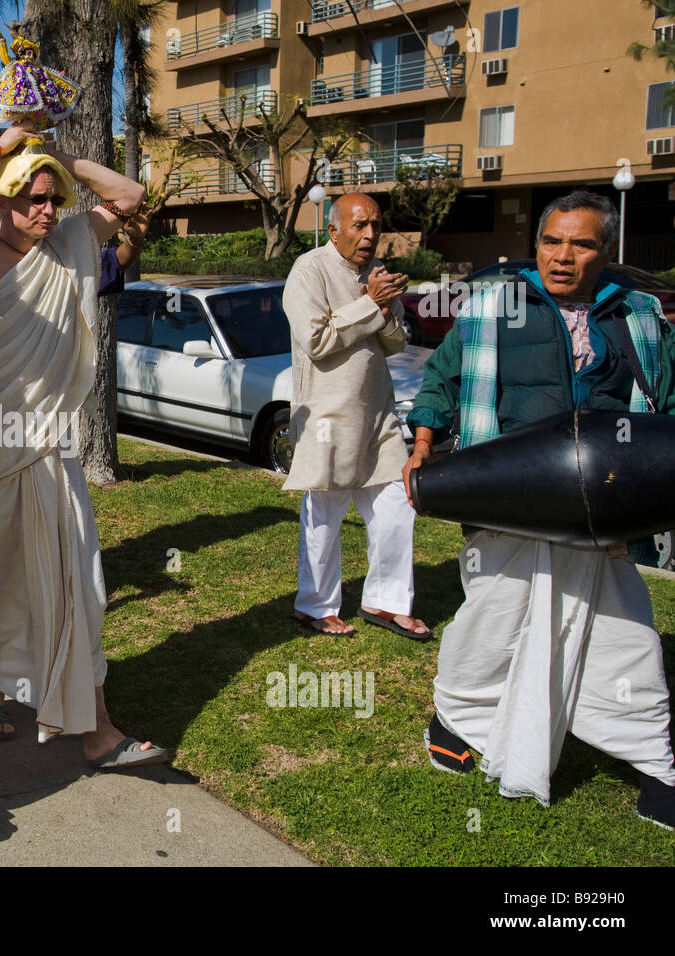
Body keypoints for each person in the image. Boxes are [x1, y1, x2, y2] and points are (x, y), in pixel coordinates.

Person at [403, 190, 675, 828]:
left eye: (581, 244)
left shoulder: (637, 315)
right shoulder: (496, 305)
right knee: (493, 618)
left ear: (606, 250)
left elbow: (663, 406)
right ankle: (458, 717)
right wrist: (423, 445)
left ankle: (652, 755)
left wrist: (639, 501)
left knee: (623, 635)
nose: (562, 257)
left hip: (600, 505)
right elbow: (443, 379)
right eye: (551, 241)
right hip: (508, 497)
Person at [0, 125, 168, 769]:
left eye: (51, 197)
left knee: (78, 579)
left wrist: (60, 157)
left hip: (51, 448)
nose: (45, 209)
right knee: (0, 583)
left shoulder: (72, 245)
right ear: (0, 199)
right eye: (30, 197)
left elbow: (131, 194)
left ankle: (96, 728)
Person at [281, 192, 429, 640]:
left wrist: (382, 306)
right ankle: (315, 606)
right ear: (333, 230)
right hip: (329, 415)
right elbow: (317, 340)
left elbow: (395, 342)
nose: (369, 235)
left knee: (397, 506)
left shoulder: (376, 276)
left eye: (375, 226)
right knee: (325, 512)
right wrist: (371, 304)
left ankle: (385, 601)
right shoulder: (309, 269)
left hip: (377, 413)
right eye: (360, 225)